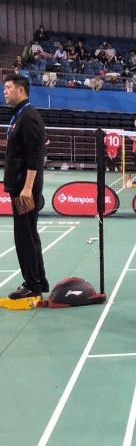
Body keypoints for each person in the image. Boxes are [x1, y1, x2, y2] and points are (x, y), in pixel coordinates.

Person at [3, 74, 50, 299]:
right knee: (29, 233)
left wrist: (27, 188)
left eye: (8, 88)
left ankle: (32, 284)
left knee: (24, 236)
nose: (4, 92)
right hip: (20, 185)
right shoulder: (20, 115)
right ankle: (39, 280)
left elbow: (35, 156)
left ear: (20, 90)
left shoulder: (28, 117)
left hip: (25, 187)